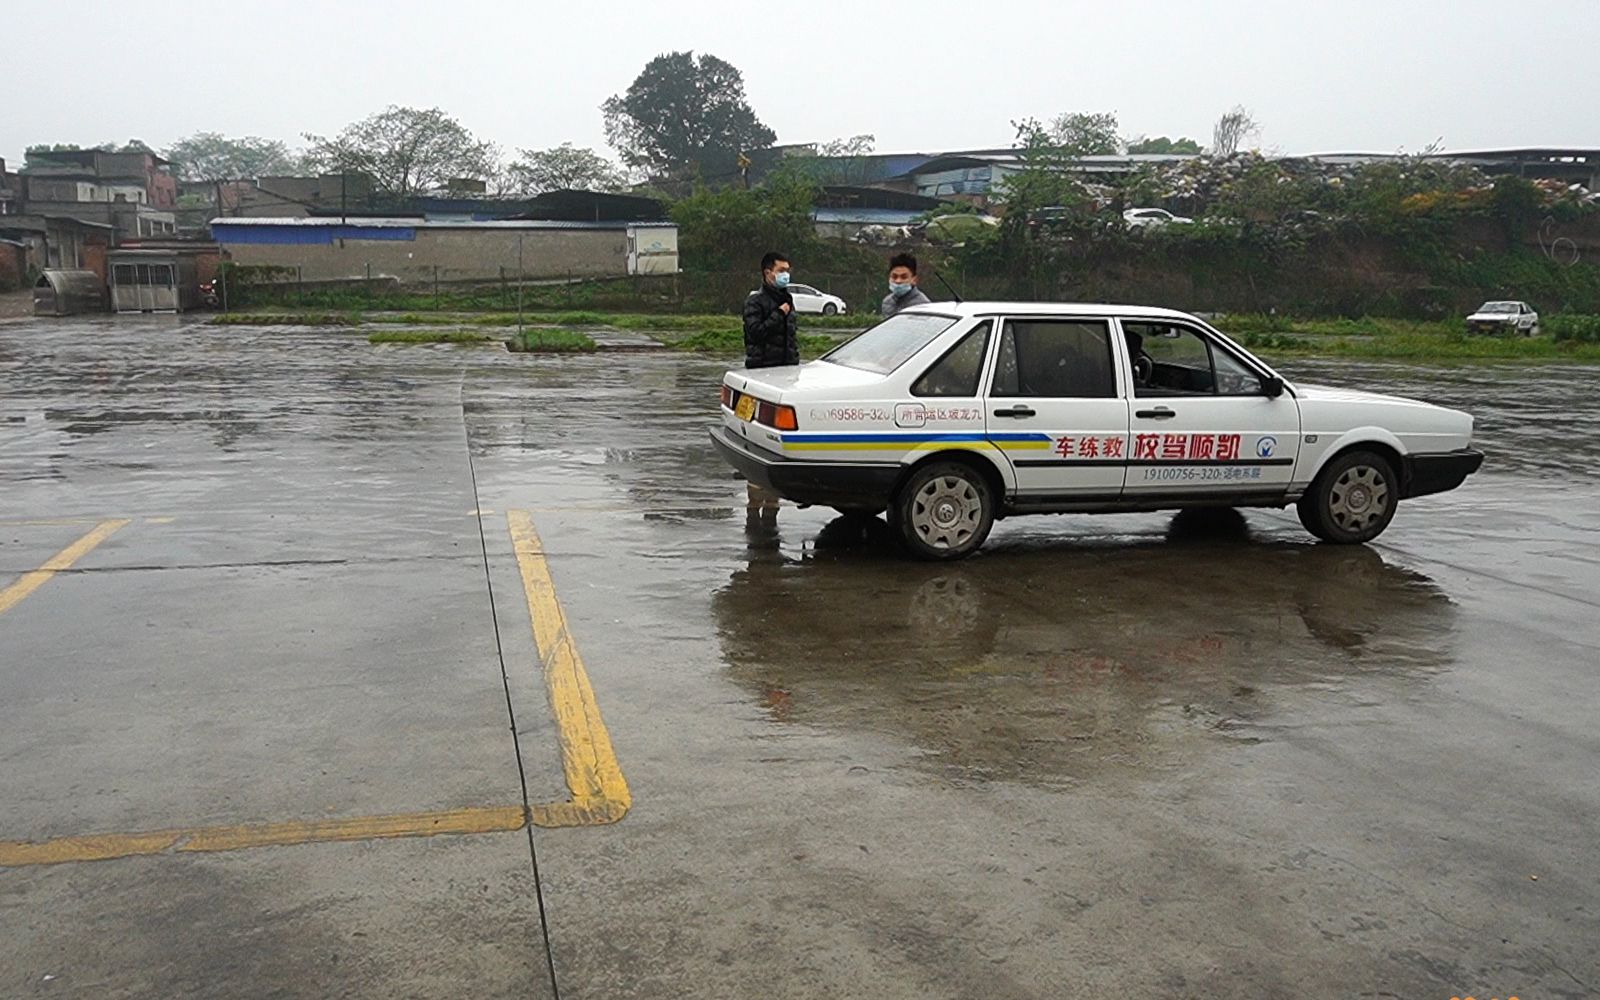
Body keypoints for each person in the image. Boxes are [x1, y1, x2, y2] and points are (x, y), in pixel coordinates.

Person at [743, 251, 799, 369]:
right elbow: (755, 333)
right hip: (762, 368)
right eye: (781, 271)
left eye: (787, 271)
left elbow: (791, 336)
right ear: (768, 273)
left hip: (788, 369)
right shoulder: (755, 301)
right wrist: (779, 314)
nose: (786, 275)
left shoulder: (787, 299)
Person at [881, 252, 932, 317]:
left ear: (914, 280)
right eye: (894, 276)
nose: (898, 281)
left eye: (904, 277)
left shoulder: (922, 305)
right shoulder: (887, 302)